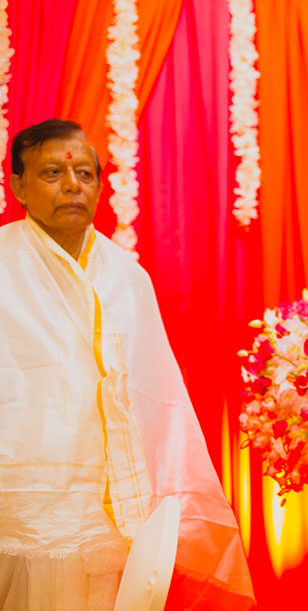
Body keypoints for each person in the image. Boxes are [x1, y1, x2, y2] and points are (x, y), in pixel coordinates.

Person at [0, 119, 254, 609]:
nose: (72, 185)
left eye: (85, 174)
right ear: (19, 187)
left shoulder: (127, 276)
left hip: (108, 512)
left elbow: (160, 396)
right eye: (52, 173)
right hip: (20, 506)